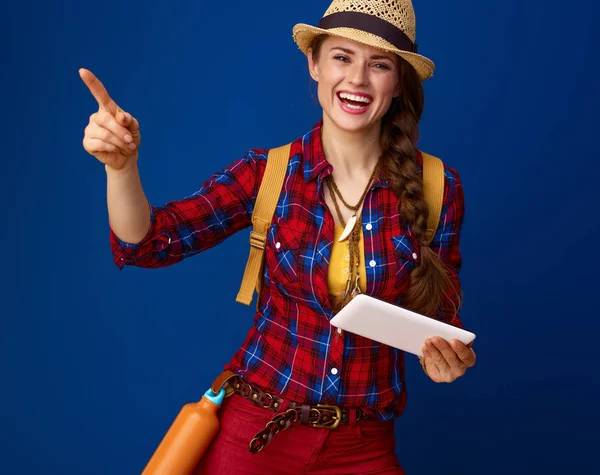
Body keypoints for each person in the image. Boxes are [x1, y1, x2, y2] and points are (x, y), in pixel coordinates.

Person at [80, 0, 476, 473]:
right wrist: (121, 168)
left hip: (363, 445)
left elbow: (440, 317)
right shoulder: (267, 174)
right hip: (255, 435)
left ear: (398, 83)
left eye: (380, 64)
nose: (357, 80)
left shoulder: (439, 188)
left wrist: (446, 358)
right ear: (314, 64)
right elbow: (150, 243)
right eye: (342, 57)